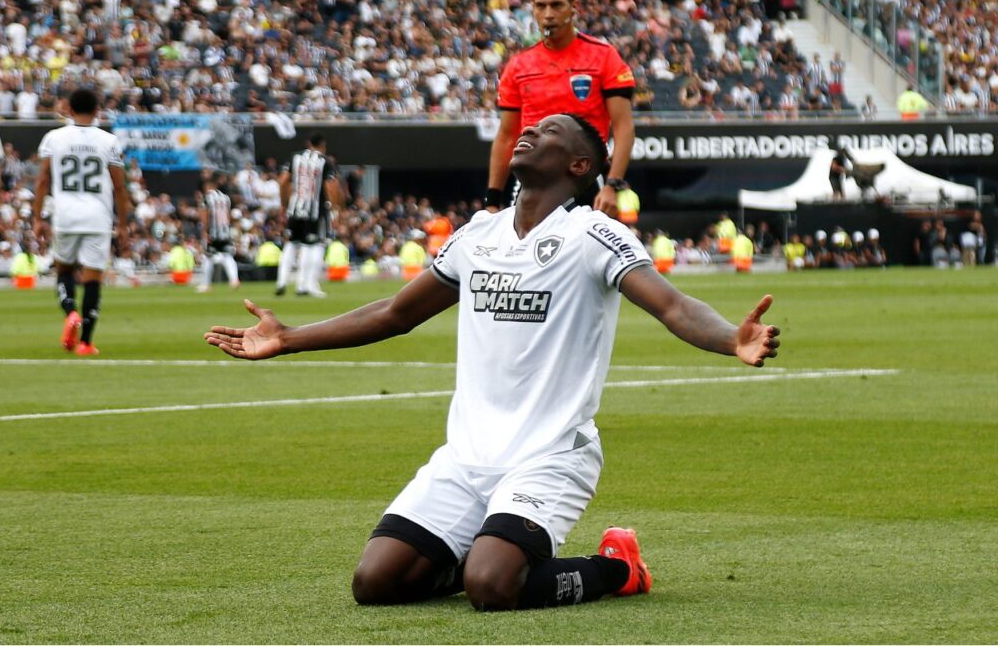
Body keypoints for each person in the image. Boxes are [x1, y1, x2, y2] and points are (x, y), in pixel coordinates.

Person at [205, 113, 780, 612]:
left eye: (549, 131)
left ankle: (618, 568)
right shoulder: (478, 234)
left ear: (580, 166)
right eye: (528, 127)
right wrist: (290, 337)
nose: (528, 131)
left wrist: (732, 338)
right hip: (467, 456)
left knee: (492, 587)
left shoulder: (592, 234)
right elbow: (394, 313)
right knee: (375, 582)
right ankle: (481, 548)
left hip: (550, 455)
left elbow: (673, 305)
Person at [486, 0, 635, 218]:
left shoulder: (604, 57)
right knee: (523, 254)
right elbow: (506, 136)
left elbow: (624, 127)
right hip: (532, 179)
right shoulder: (518, 65)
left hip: (585, 177)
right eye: (541, 6)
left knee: (587, 255)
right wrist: (492, 199)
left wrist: (612, 184)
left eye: (556, 5)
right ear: (532, 9)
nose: (548, 14)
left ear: (573, 7)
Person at [32, 88, 129, 356]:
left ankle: (70, 311)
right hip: (98, 217)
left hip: (65, 215)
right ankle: (86, 342)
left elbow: (42, 180)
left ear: (69, 109)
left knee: (64, 270)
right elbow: (120, 187)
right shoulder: (108, 141)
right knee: (93, 279)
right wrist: (123, 224)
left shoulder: (54, 138)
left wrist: (38, 218)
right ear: (98, 111)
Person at [276, 134, 345, 297]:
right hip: (316, 211)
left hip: (295, 208)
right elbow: (331, 186)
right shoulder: (325, 161)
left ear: (309, 143)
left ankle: (281, 281)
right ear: (323, 145)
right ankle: (306, 284)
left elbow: (283, 181)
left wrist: (284, 203)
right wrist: (335, 208)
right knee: (315, 246)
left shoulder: (295, 157)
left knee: (291, 244)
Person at [196, 182, 241, 292]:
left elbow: (206, 215)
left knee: (208, 258)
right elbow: (228, 215)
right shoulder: (226, 198)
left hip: (213, 233)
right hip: (225, 232)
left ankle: (206, 285)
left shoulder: (207, 198)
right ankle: (234, 280)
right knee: (228, 256)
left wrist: (204, 231)